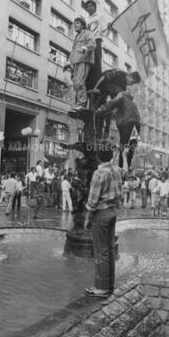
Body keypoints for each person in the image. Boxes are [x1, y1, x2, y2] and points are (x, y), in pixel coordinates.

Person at [84, 142, 122, 298]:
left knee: (101, 251)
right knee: (110, 249)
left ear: (98, 157)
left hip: (101, 213)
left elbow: (93, 200)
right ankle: (109, 284)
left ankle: (101, 288)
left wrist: (87, 218)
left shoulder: (99, 173)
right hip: (113, 212)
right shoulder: (117, 170)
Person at [95, 80, 141, 169]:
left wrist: (101, 109)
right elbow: (117, 112)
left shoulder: (121, 95)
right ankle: (125, 168)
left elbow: (113, 103)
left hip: (127, 124)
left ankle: (120, 170)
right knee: (130, 150)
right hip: (136, 125)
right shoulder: (131, 102)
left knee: (123, 149)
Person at [63, 16, 95, 112]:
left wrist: (85, 48)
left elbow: (93, 44)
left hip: (84, 60)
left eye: (77, 23)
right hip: (75, 62)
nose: (75, 25)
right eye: (74, 23)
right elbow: (73, 51)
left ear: (83, 24)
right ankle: (79, 104)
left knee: (80, 82)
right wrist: (69, 61)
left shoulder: (88, 33)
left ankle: (82, 104)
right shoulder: (77, 37)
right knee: (76, 83)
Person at [85, 0, 108, 90]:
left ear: (95, 7)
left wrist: (105, 45)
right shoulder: (86, 19)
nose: (89, 8)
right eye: (87, 7)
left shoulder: (100, 16)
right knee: (88, 64)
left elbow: (104, 31)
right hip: (88, 43)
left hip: (97, 41)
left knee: (97, 64)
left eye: (91, 6)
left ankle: (97, 85)